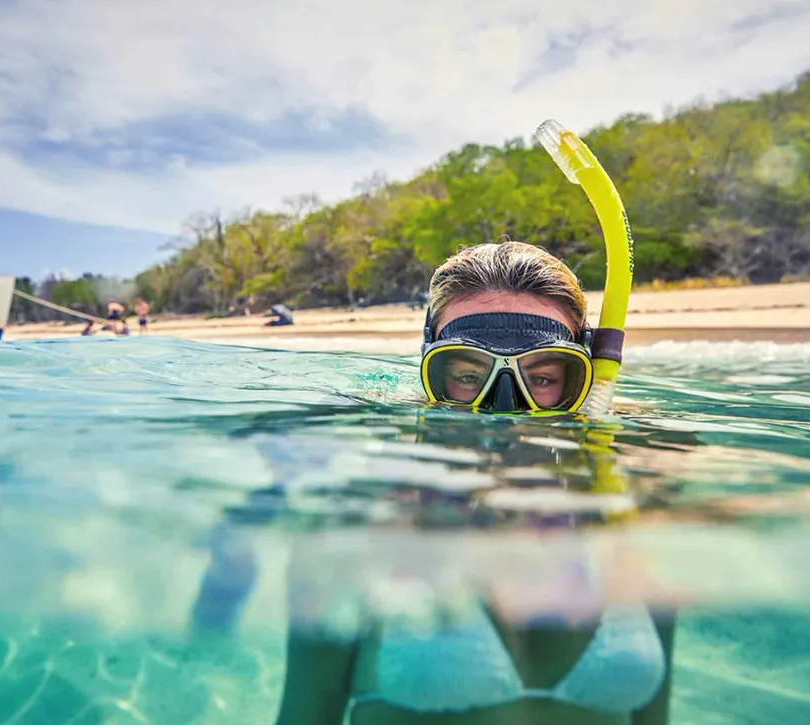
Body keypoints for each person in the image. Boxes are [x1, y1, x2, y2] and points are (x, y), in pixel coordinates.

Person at [273, 241, 675, 725]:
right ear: (430, 375)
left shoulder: (631, 511)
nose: (503, 413)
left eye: (543, 378)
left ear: (584, 385)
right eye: (467, 374)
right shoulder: (356, 527)